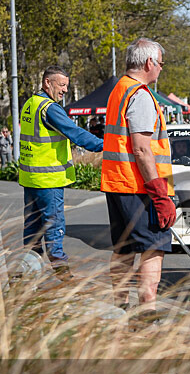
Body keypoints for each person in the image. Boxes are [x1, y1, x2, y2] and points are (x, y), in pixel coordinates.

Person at [101, 37, 175, 316]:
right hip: (139, 187)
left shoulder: (119, 89)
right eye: (160, 64)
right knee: (153, 247)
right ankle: (147, 312)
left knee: (124, 248)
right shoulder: (141, 95)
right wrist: (159, 193)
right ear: (148, 63)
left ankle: (119, 308)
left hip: (118, 183)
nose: (160, 70)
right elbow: (143, 149)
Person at [19, 65, 104, 279]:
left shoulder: (30, 104)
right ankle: (63, 276)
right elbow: (74, 132)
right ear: (48, 82)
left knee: (32, 232)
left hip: (31, 179)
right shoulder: (50, 108)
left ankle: (25, 278)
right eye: (62, 85)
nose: (65, 90)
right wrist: (107, 144)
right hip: (49, 180)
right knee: (54, 227)